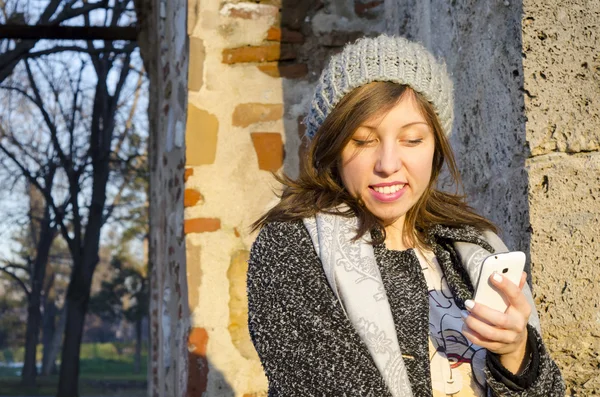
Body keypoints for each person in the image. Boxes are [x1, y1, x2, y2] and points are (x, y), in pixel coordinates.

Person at [247, 35, 564, 396]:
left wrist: (515, 353)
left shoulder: (476, 246)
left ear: (435, 147)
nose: (388, 164)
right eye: (363, 140)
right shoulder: (291, 249)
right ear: (333, 148)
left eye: (412, 140)